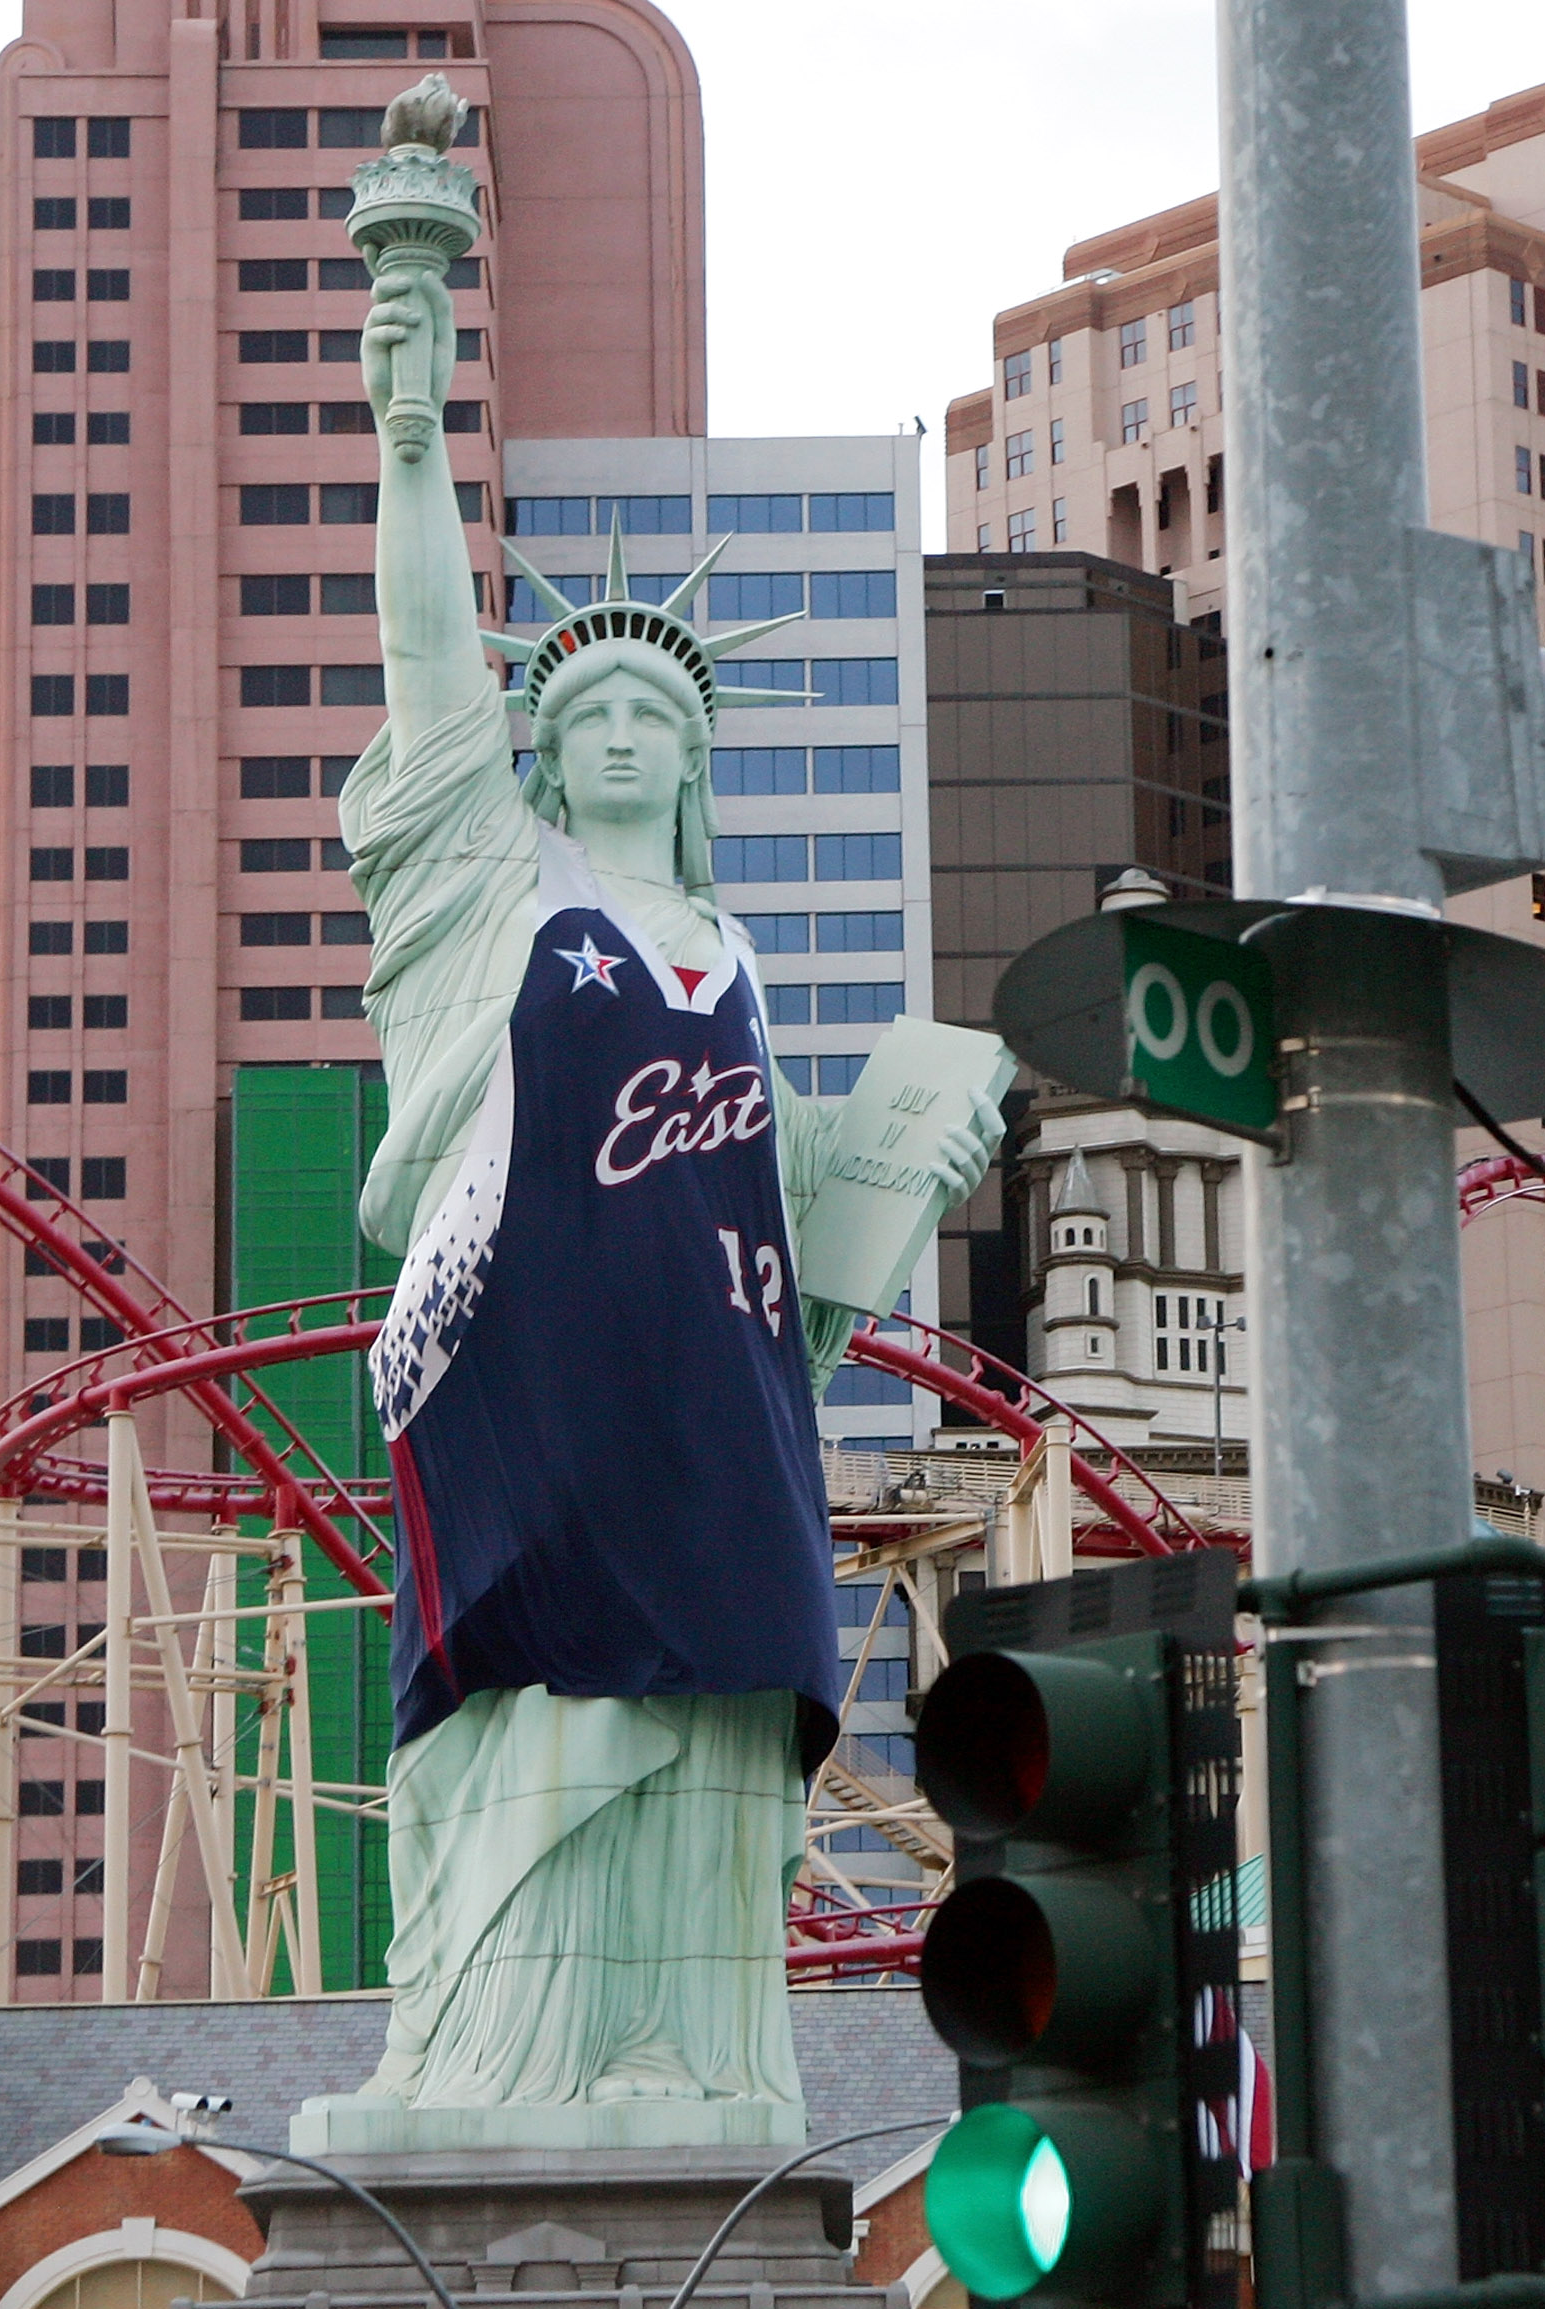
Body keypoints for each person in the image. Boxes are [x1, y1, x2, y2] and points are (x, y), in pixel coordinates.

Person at [324, 236, 996, 2129]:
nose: (622, 732)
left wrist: (907, 1160)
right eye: (591, 712)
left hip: (714, 1406)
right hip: (539, 1376)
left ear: (695, 759)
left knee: (722, 1688)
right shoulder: (502, 891)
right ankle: (495, 2049)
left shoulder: (731, 952)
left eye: (658, 718)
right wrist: (405, 438)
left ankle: (686, 2053)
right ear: (546, 751)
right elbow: (428, 660)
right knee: (548, 1700)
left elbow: (783, 1233)